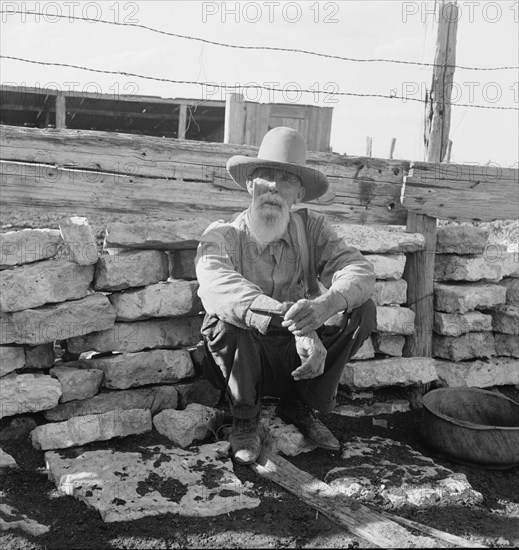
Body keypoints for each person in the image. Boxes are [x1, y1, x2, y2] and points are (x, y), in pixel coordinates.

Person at [195, 126, 377, 465]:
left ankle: (300, 404)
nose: (274, 188)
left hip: (294, 357)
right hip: (242, 359)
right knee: (224, 318)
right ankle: (245, 416)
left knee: (362, 310)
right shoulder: (219, 234)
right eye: (265, 176)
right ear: (250, 184)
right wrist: (300, 326)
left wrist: (326, 306)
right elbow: (214, 283)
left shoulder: (313, 228)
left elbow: (360, 271)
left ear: (299, 195)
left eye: (288, 180)